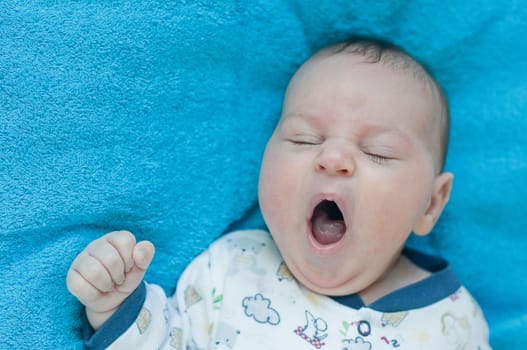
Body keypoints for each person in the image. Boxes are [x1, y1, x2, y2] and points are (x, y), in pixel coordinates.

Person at [67, 38, 491, 349]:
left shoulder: (456, 322)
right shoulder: (231, 269)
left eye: (376, 152)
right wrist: (116, 305)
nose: (333, 157)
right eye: (305, 139)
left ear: (431, 203)